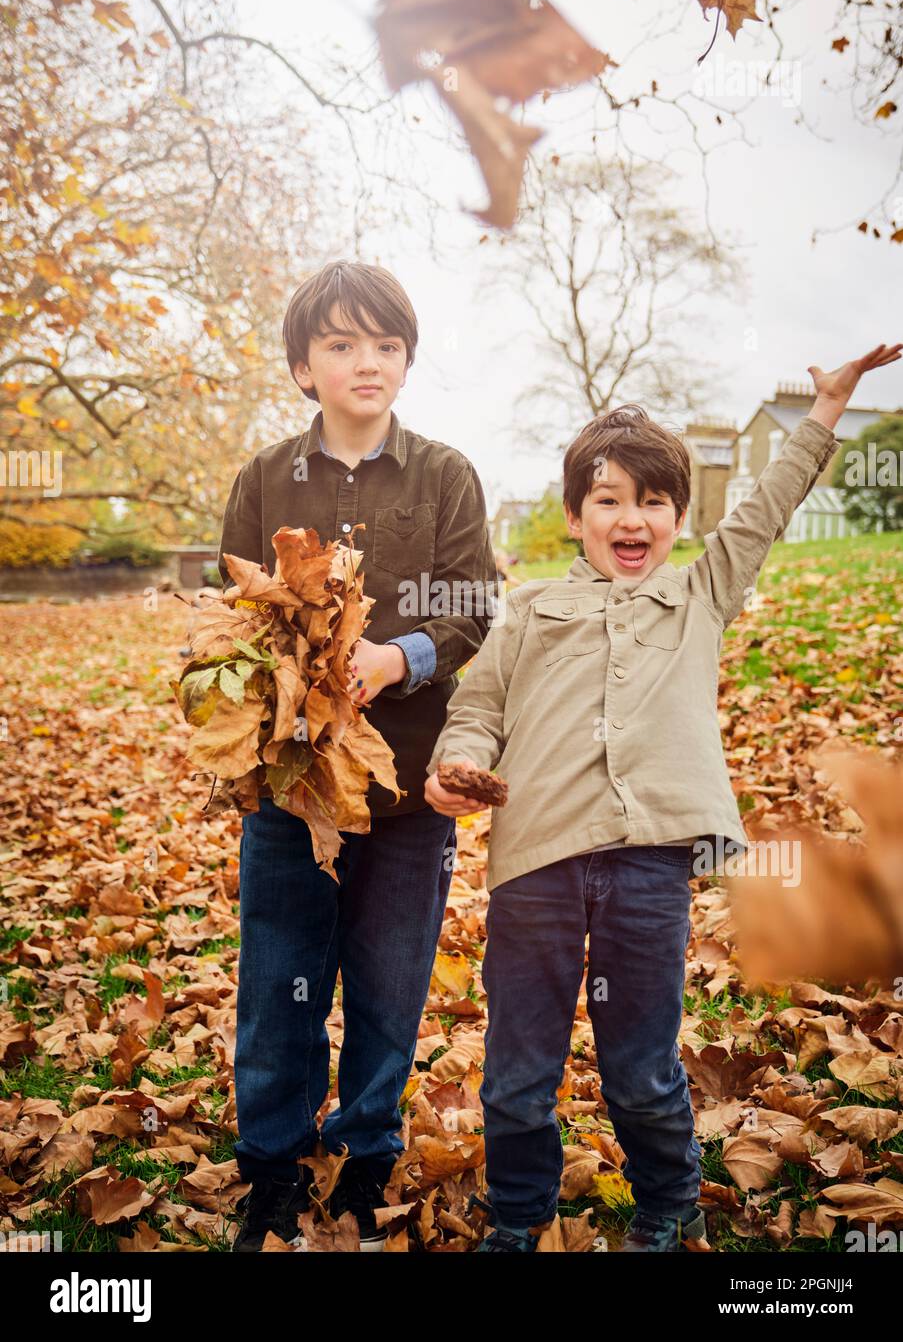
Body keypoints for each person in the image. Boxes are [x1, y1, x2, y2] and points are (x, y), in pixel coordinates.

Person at [424, 343, 901, 1253]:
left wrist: (826, 409)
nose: (630, 517)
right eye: (607, 499)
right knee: (520, 1069)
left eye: (651, 501)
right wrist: (454, 767)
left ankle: (668, 1206)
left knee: (640, 1064)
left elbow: (763, 511)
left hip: (649, 867)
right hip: (536, 864)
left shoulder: (700, 593)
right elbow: (477, 709)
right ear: (574, 516)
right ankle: (519, 1219)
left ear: (679, 517)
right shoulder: (528, 610)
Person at [219, 259, 498, 1251]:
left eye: (385, 344)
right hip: (292, 784)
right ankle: (273, 1166)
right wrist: (277, 673)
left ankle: (368, 1153)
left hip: (408, 787)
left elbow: (476, 604)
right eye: (340, 344)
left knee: (389, 979)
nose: (365, 361)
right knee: (279, 978)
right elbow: (240, 611)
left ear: (408, 359)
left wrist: (394, 655)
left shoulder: (444, 475)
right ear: (303, 367)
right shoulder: (261, 480)